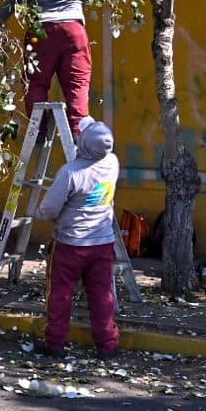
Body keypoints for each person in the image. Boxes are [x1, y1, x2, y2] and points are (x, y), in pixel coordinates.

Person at [19, 0, 138, 136]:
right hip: (72, 30)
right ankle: (78, 132)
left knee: (36, 82)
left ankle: (37, 132)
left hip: (40, 30)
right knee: (77, 84)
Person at [34, 117, 121, 358]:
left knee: (60, 294)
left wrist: (39, 213)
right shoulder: (112, 163)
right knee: (102, 295)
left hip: (70, 244)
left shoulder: (70, 173)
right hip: (102, 242)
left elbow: (49, 209)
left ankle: (56, 344)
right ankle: (107, 344)